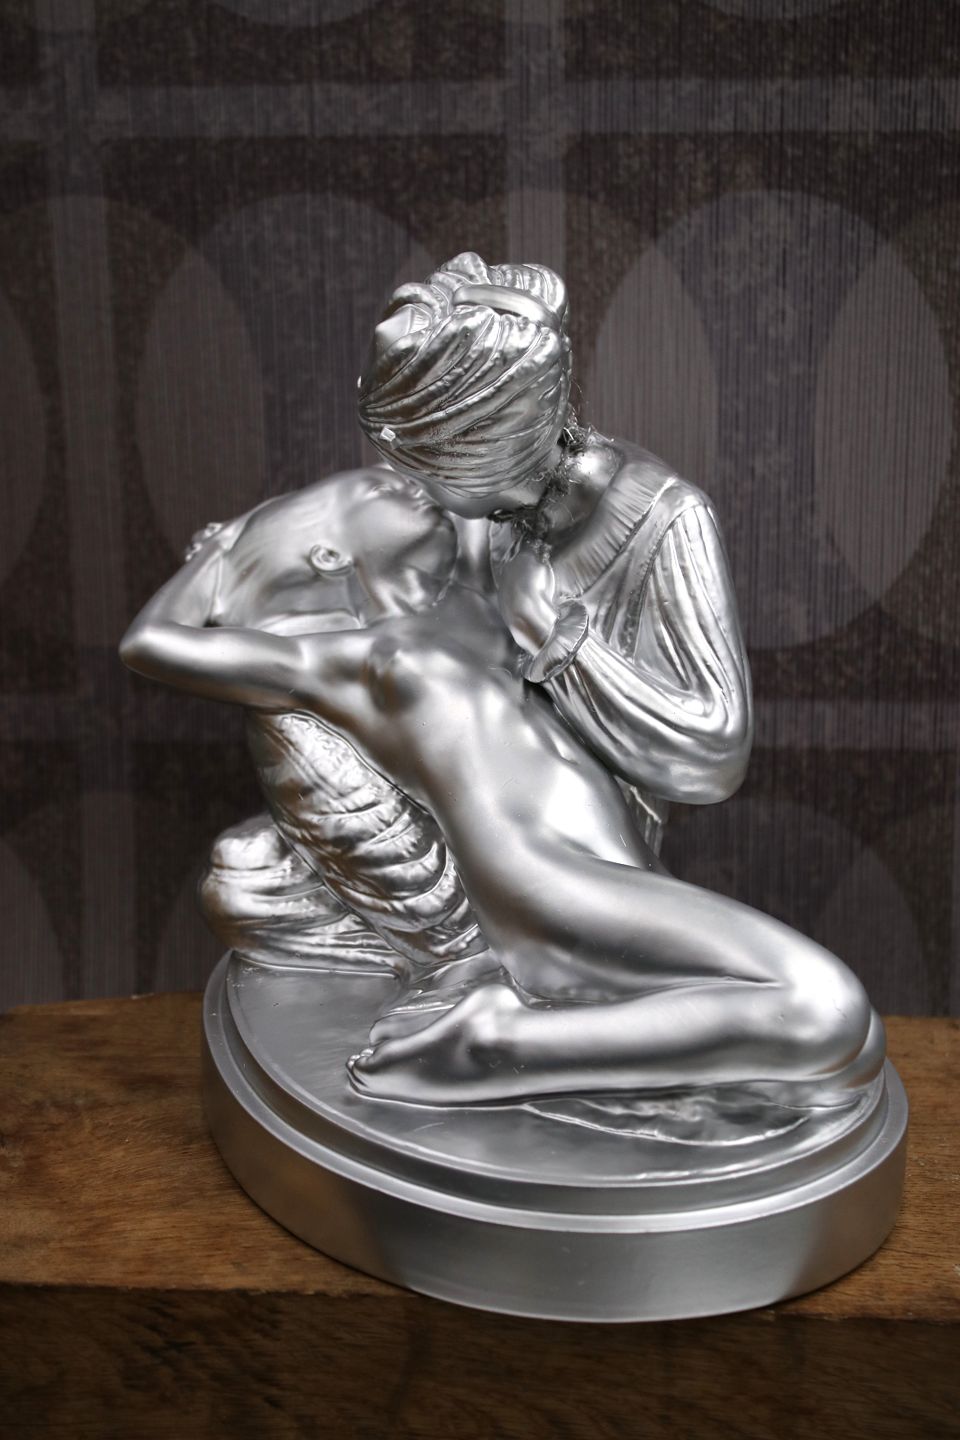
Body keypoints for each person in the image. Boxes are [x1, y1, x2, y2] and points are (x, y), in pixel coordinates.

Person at [120, 472, 882, 1108]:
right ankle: (499, 1045)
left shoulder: (480, 598)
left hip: (618, 875)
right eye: (375, 489)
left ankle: (526, 1037)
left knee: (840, 1042)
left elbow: (479, 490)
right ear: (329, 553)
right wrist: (218, 555)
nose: (407, 484)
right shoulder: (349, 660)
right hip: (547, 887)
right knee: (828, 1013)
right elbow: (150, 644)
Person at [358, 253, 753, 856]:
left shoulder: (667, 519)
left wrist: (553, 636)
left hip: (579, 851)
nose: (410, 489)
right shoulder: (494, 514)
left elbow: (715, 757)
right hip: (473, 801)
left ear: (479, 462)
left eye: (420, 473)